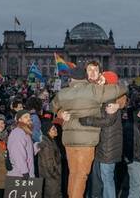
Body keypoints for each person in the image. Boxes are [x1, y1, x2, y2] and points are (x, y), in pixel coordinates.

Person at [51, 66, 127, 198]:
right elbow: (122, 89)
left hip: (69, 140)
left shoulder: (63, 92)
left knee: (74, 173)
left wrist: (60, 113)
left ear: (71, 78)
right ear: (85, 77)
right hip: (86, 140)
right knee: (81, 175)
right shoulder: (94, 90)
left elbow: (53, 106)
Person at [7, 110, 36, 178]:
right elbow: (17, 154)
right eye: (26, 117)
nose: (29, 119)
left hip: (25, 173)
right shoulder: (18, 133)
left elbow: (28, 151)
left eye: (29, 117)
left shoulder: (25, 132)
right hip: (19, 175)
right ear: (19, 120)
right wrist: (24, 171)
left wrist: (37, 146)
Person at [38, 119, 62, 198]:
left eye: (55, 128)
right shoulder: (46, 144)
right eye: (53, 129)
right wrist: (56, 174)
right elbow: (48, 164)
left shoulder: (51, 141)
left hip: (51, 178)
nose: (56, 130)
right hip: (50, 179)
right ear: (48, 131)